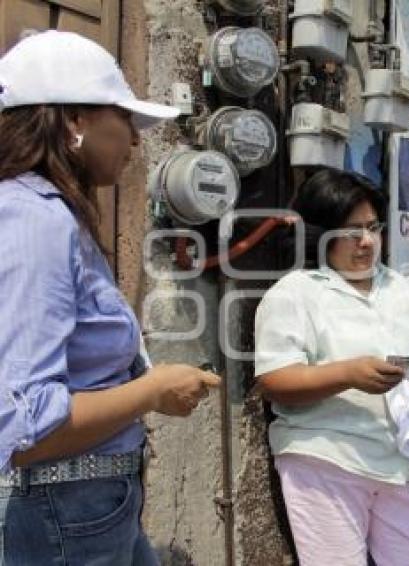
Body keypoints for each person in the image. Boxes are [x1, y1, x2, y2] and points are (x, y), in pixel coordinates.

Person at [0, 31, 220, 565]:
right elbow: (27, 429)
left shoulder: (54, 214)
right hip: (64, 513)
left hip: (91, 506)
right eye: (125, 121)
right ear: (74, 121)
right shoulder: (34, 218)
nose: (137, 142)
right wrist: (151, 391)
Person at [254, 169, 409, 566]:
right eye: (350, 231)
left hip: (397, 461)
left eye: (373, 227)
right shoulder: (296, 293)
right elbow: (274, 380)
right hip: (327, 459)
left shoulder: (396, 286)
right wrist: (348, 374)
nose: (366, 241)